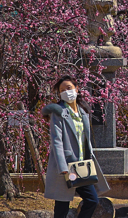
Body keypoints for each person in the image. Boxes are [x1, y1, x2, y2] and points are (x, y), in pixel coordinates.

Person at [43, 76, 110, 218]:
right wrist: (62, 166)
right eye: (62, 90)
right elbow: (57, 141)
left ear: (77, 89)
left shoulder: (83, 112)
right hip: (67, 165)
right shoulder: (58, 112)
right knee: (62, 206)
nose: (66, 92)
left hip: (81, 165)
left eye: (69, 88)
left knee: (92, 200)